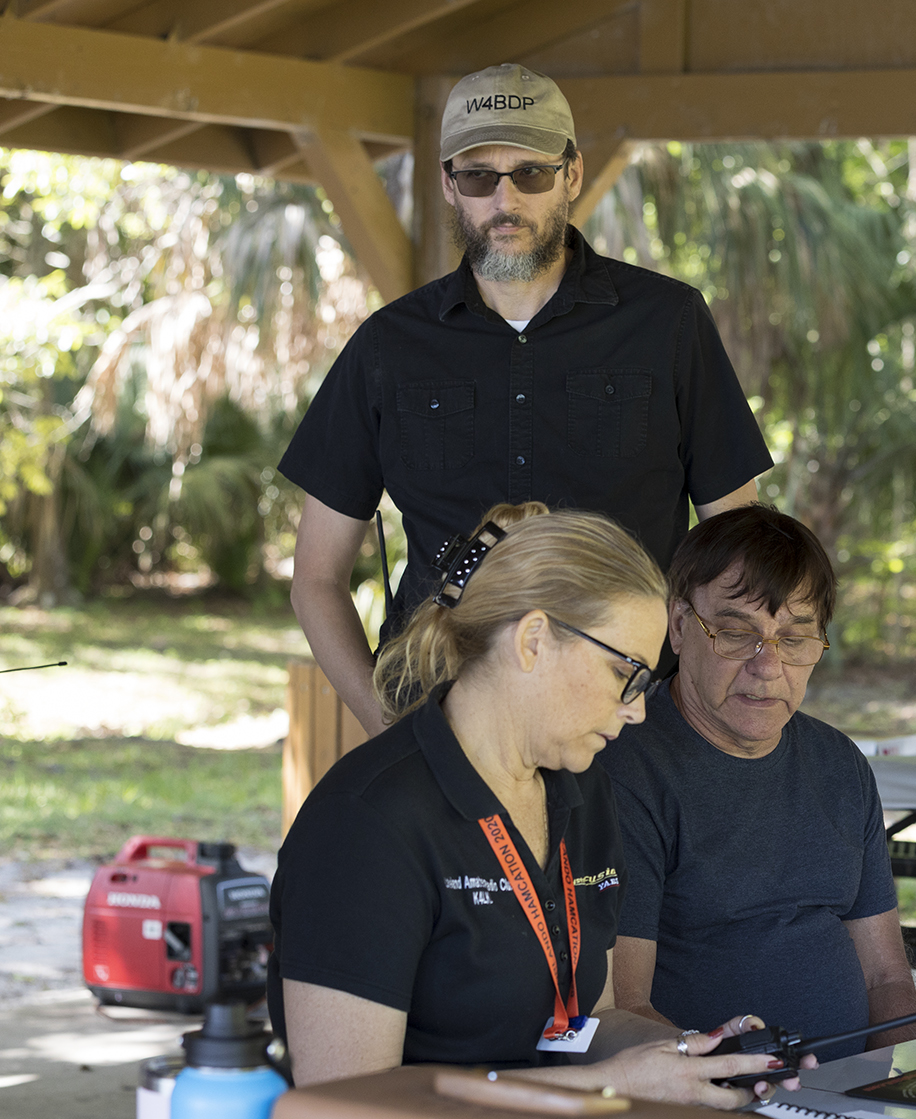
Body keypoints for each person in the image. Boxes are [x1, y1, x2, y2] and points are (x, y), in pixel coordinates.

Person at [280, 62, 771, 737]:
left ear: (571, 174)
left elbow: (736, 553)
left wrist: (698, 717)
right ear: (450, 185)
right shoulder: (388, 346)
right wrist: (389, 729)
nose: (505, 201)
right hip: (444, 722)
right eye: (480, 176)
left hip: (634, 727)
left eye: (531, 173)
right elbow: (316, 578)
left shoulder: (669, 323)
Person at [270, 502, 799, 1103]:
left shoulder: (583, 789)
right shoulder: (367, 821)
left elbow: (580, 1022)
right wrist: (606, 1085)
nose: (638, 708)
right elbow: (347, 1105)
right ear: (533, 640)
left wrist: (692, 1056)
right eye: (627, 673)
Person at [603, 506, 916, 1057]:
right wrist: (734, 1081)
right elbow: (622, 1008)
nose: (767, 664)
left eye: (794, 639)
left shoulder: (839, 764)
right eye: (735, 633)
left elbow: (886, 980)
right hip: (706, 1108)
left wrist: (904, 1092)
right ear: (678, 626)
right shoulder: (627, 767)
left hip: (850, 1106)